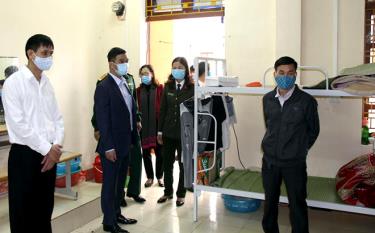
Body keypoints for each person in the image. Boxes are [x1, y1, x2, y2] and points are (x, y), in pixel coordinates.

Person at [2, 34, 64, 233]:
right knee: (23, 212)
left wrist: (55, 147)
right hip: (25, 156)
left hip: (49, 156)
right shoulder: (14, 83)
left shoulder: (47, 83)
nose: (49, 58)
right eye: (45, 53)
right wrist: (49, 149)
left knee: (44, 210)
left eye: (51, 53)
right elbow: (19, 124)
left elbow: (58, 119)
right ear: (31, 54)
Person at [261, 56, 320, 233]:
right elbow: (270, 126)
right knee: (270, 203)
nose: (285, 76)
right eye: (281, 73)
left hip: (294, 163)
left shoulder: (306, 101)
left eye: (290, 73)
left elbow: (313, 131)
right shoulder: (267, 99)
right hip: (270, 162)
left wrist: (299, 149)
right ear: (275, 74)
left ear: (296, 75)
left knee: (297, 204)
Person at [94, 47, 138, 233]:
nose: (125, 63)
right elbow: (102, 120)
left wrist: (135, 123)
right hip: (112, 145)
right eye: (121, 60)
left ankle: (117, 213)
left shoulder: (124, 83)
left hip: (125, 142)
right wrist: (108, 146)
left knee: (120, 183)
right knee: (110, 185)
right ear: (112, 64)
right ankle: (108, 222)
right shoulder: (104, 87)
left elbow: (128, 110)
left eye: (126, 60)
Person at [157, 57, 194, 207]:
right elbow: (163, 110)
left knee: (183, 164)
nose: (176, 70)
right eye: (174, 67)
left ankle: (181, 194)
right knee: (167, 164)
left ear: (185, 70)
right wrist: (159, 132)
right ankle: (167, 192)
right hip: (168, 132)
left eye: (180, 67)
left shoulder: (192, 87)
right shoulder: (168, 86)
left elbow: (195, 111)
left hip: (185, 133)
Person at [136, 64, 164, 188]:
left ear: (152, 74)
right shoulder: (137, 91)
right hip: (143, 127)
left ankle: (160, 177)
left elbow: (163, 109)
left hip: (157, 126)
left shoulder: (159, 89)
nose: (144, 76)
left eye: (146, 73)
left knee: (160, 153)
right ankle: (150, 177)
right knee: (145, 153)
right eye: (142, 74)